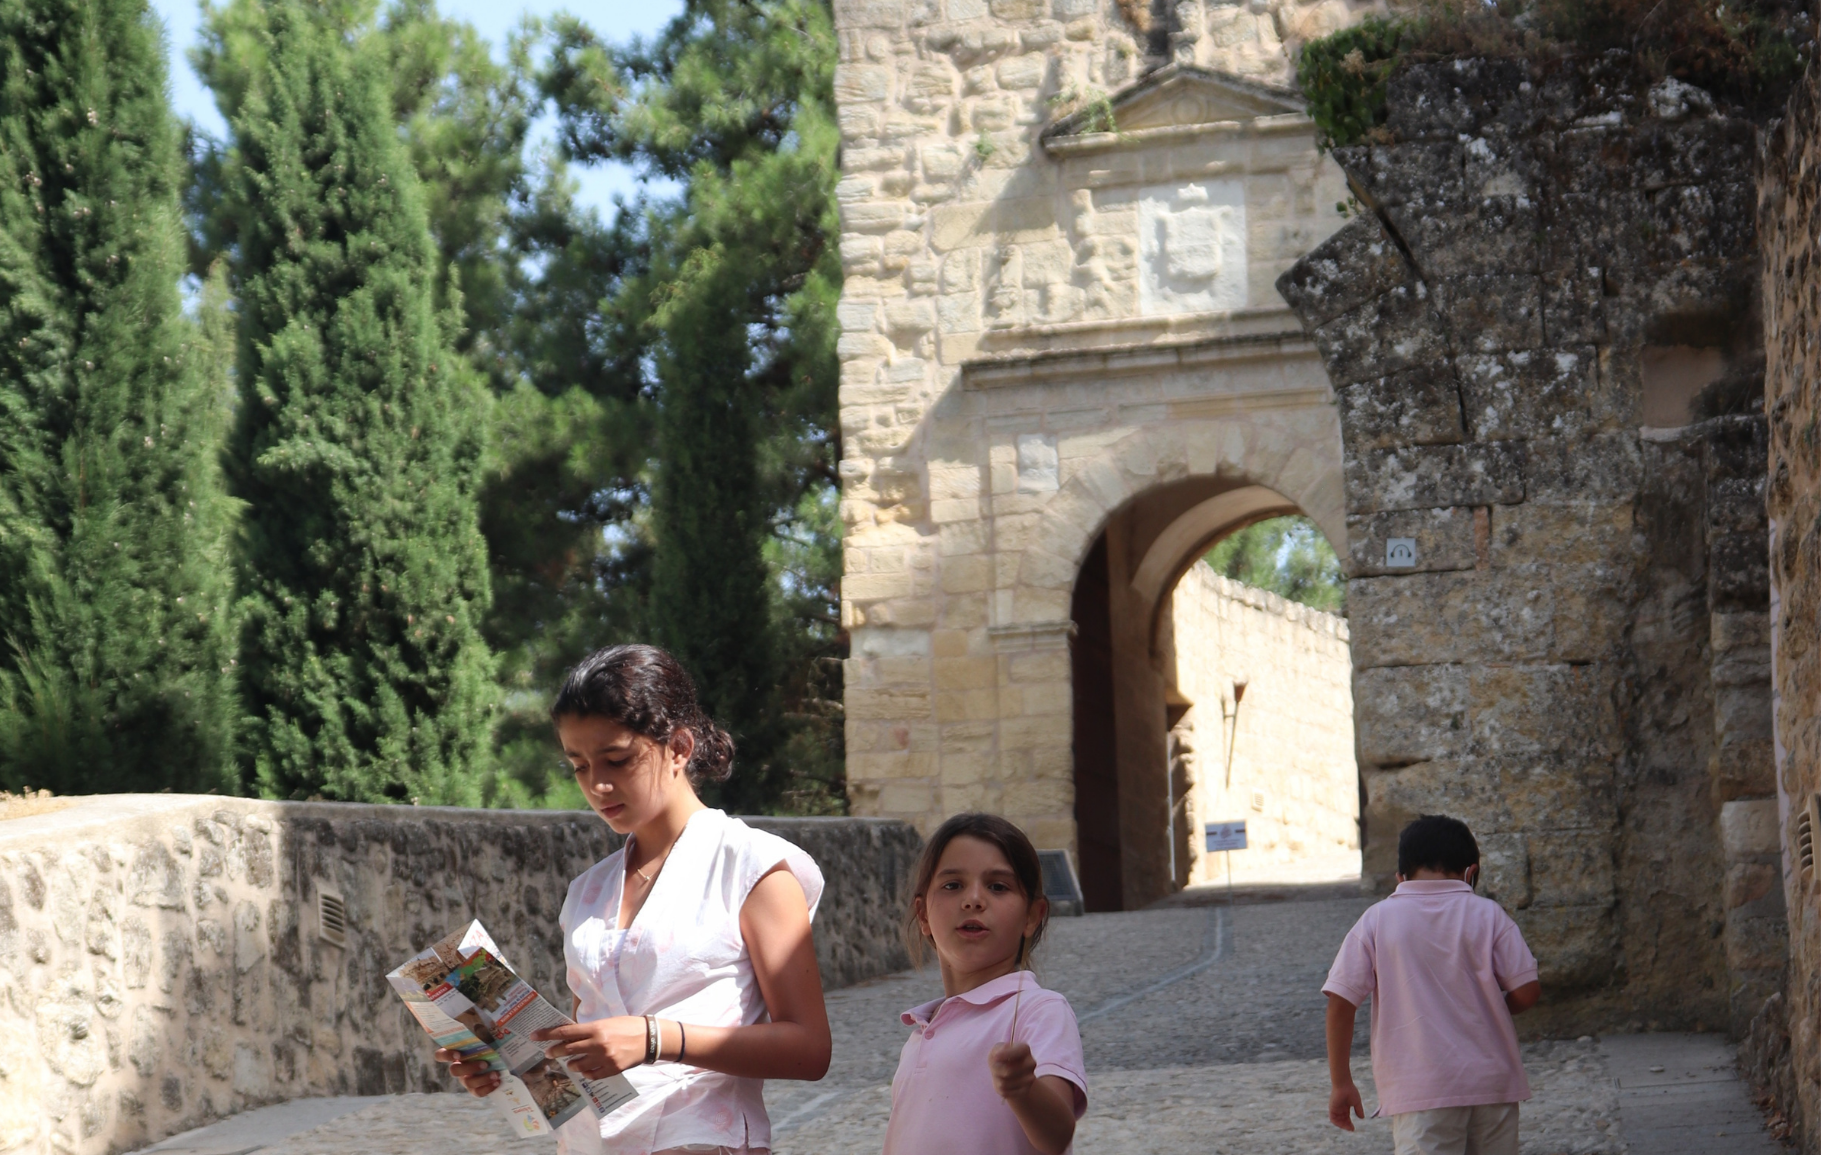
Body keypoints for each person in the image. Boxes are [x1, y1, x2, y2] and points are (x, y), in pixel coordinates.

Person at [436, 643, 832, 1154]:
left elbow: (810, 1049)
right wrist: (505, 1069)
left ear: (680, 748)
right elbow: (593, 1060)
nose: (598, 784)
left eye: (617, 759)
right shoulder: (588, 893)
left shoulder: (752, 867)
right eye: (578, 766)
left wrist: (654, 1038)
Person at [1322, 814, 1543, 1155]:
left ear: (1400, 876)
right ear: (1471, 873)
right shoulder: (1489, 914)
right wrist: (1489, 1007)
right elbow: (1528, 991)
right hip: (1493, 1083)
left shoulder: (1377, 920)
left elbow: (1340, 1003)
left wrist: (1341, 1082)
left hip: (1423, 1089)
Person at [882, 813, 1088, 1155]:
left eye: (997, 886)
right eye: (952, 885)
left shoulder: (1040, 1011)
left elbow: (1057, 1134)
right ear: (923, 916)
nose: (973, 899)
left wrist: (1024, 1089)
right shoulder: (919, 1035)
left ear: (1031, 917)